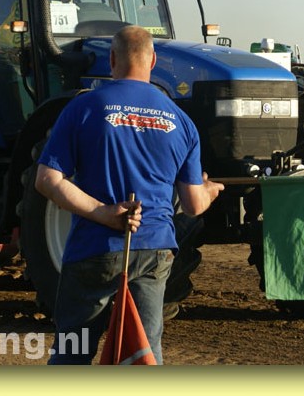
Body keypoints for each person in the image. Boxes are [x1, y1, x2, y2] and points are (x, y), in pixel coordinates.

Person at [35, 26, 223, 364]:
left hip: (95, 249)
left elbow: (47, 180)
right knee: (143, 353)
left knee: (73, 352)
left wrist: (103, 213)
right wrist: (209, 190)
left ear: (111, 59)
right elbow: (193, 204)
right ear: (152, 61)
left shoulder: (84, 107)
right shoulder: (182, 121)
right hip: (154, 250)